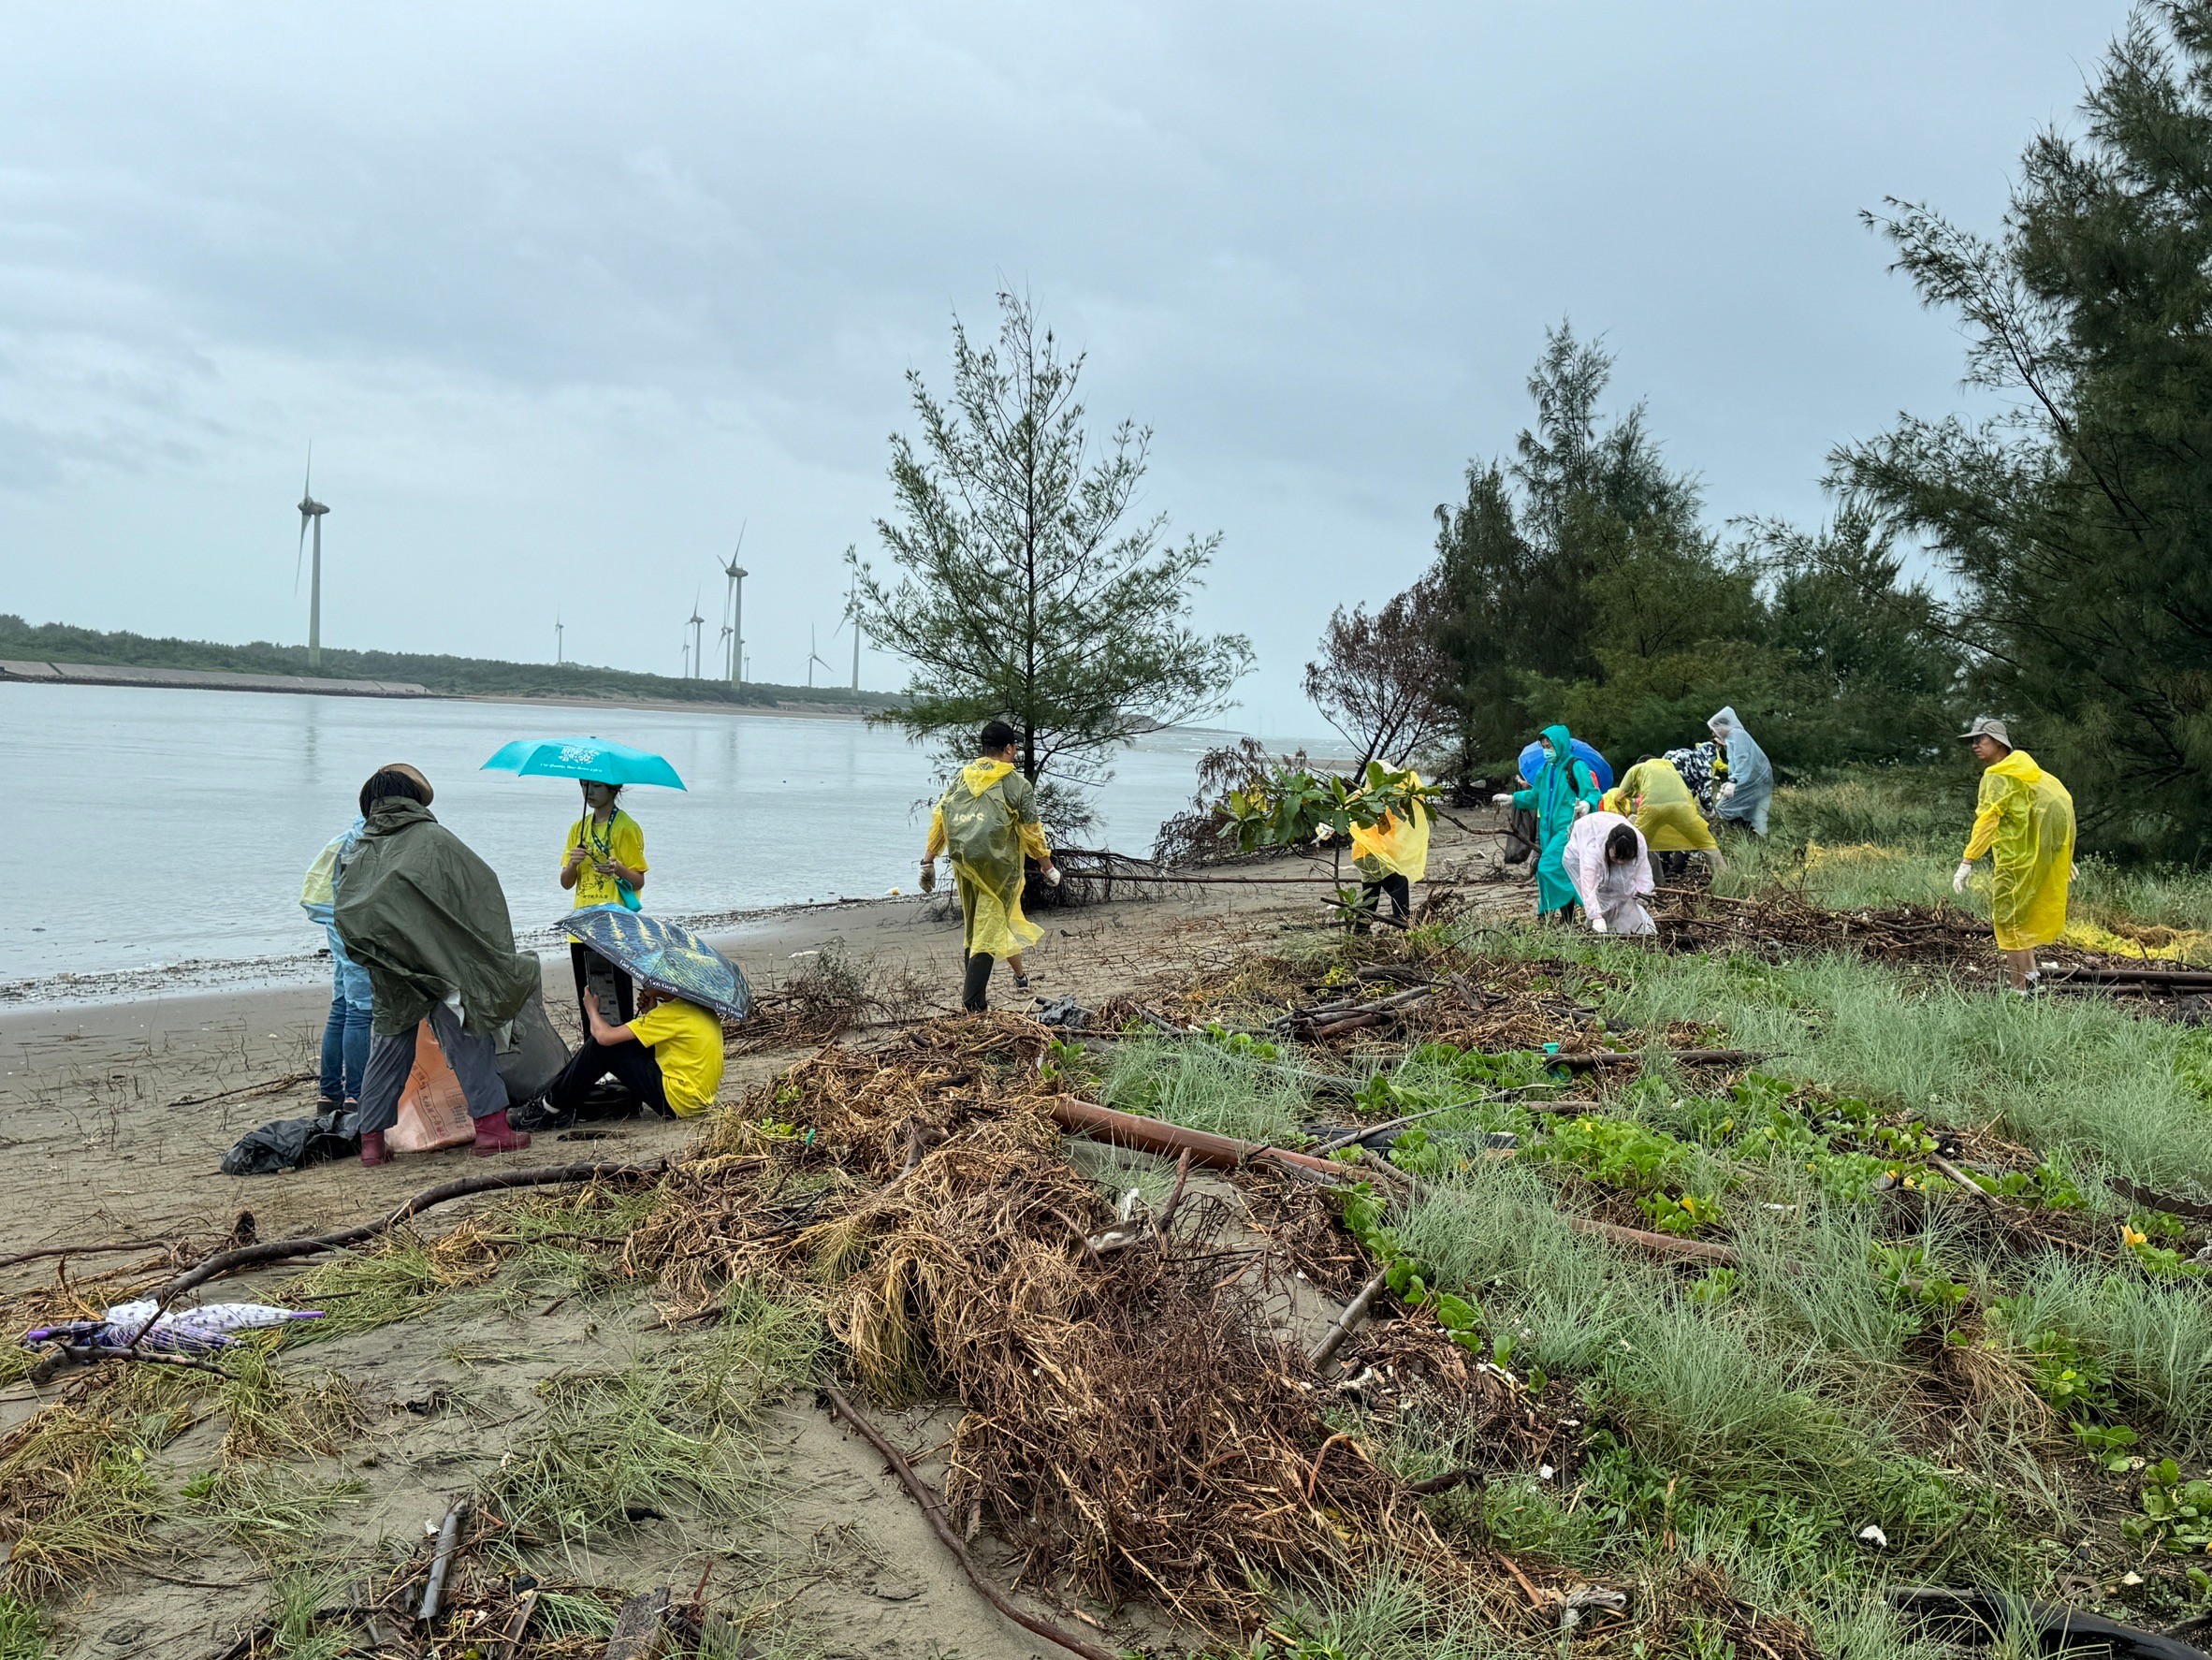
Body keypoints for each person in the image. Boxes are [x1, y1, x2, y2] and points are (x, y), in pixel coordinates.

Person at [335, 764, 539, 1167]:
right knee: (470, 1038)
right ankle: (493, 1130)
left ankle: (372, 1143)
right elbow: (480, 888)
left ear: (372, 805)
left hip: (390, 967)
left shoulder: (358, 850)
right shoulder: (434, 840)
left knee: (389, 1047)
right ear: (411, 799)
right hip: (442, 963)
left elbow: (347, 910)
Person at [921, 721, 1059, 1012]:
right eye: (1015, 746)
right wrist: (1047, 866)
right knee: (988, 927)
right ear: (1009, 749)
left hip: (964, 862)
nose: (1016, 751)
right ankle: (974, 1005)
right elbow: (1031, 830)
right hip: (999, 869)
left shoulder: (962, 777)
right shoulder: (1016, 785)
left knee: (976, 925)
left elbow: (941, 816)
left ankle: (976, 998)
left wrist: (929, 859)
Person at [1953, 716, 2075, 992]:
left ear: (1997, 743)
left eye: (1980, 740)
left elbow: (1987, 820)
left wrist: (1967, 860)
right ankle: (2032, 982)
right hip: (2032, 862)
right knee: (2022, 922)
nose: (1975, 746)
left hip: (2012, 864)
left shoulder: (1997, 776)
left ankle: (2018, 989)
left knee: (2009, 926)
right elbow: (2057, 806)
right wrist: (2061, 853)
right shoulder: (2032, 774)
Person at [517, 983, 725, 1128]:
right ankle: (551, 1098)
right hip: (697, 1098)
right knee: (626, 1040)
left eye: (651, 979)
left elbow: (604, 1037)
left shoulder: (671, 1014)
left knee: (604, 1047)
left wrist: (591, 1010)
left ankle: (548, 1107)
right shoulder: (694, 1007)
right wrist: (650, 1011)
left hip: (679, 1102)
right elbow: (668, 1043)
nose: (644, 981)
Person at [559, 779, 648, 1030]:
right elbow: (566, 883)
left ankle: (620, 1059)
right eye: (585, 786)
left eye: (597, 786)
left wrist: (618, 869)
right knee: (588, 1000)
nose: (589, 792)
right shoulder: (578, 828)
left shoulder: (626, 827)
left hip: (615, 928)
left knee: (617, 999)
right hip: (582, 927)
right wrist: (573, 864)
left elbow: (638, 881)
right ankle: (595, 1054)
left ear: (613, 789)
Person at [1493, 723, 1603, 920]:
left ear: (1559, 744)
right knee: (1562, 871)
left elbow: (1593, 793)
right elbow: (1536, 795)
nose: (1547, 751)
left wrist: (1586, 803)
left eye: (1549, 746)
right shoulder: (1545, 769)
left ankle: (1564, 908)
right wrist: (1512, 798)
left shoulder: (1576, 766)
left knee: (1546, 867)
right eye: (1544, 747)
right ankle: (1567, 917)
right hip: (1547, 831)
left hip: (1567, 829)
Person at [300, 816, 371, 1111]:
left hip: (336, 924)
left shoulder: (346, 838)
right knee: (360, 1011)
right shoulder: (369, 841)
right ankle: (356, 1093)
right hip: (356, 927)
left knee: (342, 1005)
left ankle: (329, 1093)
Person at [1605, 754, 1725, 881]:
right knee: (1706, 842)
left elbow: (1619, 795)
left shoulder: (1638, 768)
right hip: (1683, 806)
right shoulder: (1670, 769)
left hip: (1652, 807)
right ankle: (1724, 879)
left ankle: (1651, 881)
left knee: (1638, 841)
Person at [1347, 771, 1431, 930]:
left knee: (1371, 896)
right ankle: (1403, 924)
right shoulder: (1365, 798)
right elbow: (1343, 810)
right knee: (1399, 883)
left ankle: (1360, 933)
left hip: (1366, 854)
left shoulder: (1389, 801)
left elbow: (1411, 799)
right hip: (1370, 854)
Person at [1563, 812, 1657, 935]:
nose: (1620, 862)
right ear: (1608, 847)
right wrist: (1596, 916)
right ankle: (1600, 924)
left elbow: (1643, 871)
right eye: (1616, 857)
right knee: (1600, 894)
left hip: (1612, 853)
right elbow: (1588, 887)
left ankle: (1618, 924)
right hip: (1576, 857)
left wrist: (1644, 893)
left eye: (1625, 859)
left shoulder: (1639, 844)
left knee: (1620, 888)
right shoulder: (1592, 851)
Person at [1707, 706, 1772, 836]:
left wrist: (1734, 780)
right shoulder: (1733, 737)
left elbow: (1743, 759)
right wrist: (1731, 780)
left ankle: (1747, 835)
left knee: (1723, 807)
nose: (1714, 734)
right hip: (1751, 780)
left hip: (1753, 781)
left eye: (1714, 730)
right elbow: (1736, 763)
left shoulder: (1737, 735)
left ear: (1722, 727)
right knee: (1747, 811)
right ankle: (1752, 836)